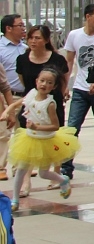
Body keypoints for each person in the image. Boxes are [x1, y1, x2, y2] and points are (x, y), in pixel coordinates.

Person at [3, 67, 79, 209]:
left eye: (49, 82)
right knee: (21, 170)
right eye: (42, 80)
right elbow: (17, 103)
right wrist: (7, 111)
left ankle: (63, 180)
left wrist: (37, 127)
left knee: (43, 173)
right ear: (36, 81)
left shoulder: (50, 104)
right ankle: (15, 200)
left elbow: (55, 126)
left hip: (46, 141)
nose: (44, 84)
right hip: (29, 139)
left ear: (54, 87)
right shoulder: (31, 93)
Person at [14, 25, 69, 198]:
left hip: (51, 103)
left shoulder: (57, 59)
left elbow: (63, 81)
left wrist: (56, 97)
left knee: (53, 141)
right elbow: (24, 82)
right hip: (31, 103)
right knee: (28, 144)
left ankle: (57, 175)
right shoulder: (22, 59)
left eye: (37, 38)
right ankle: (26, 182)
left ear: (46, 40)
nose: (33, 41)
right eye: (30, 37)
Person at [62, 4, 94, 179]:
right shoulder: (75, 35)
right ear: (88, 17)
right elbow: (69, 62)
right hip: (80, 89)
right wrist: (65, 85)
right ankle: (66, 166)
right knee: (72, 128)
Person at [0, 14, 25, 183]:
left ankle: (20, 167)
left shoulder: (25, 48)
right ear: (8, 28)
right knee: (3, 133)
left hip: (24, 97)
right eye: (20, 25)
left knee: (22, 133)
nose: (23, 28)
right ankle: (1, 167)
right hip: (5, 96)